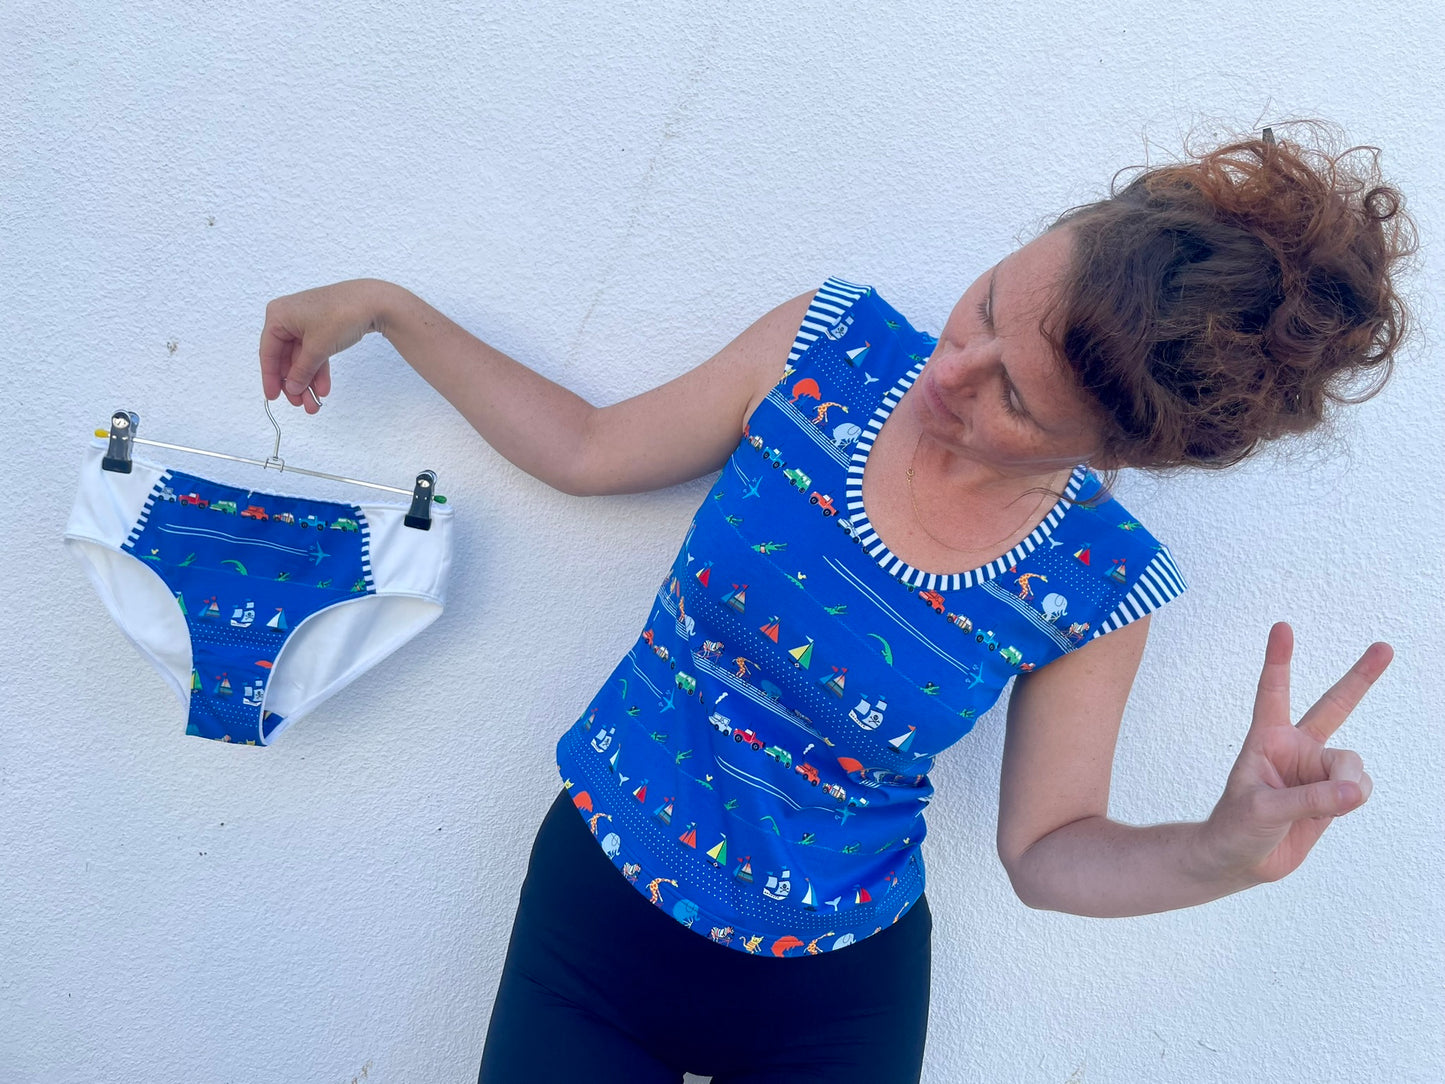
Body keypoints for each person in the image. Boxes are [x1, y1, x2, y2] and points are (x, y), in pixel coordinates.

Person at [258, 123, 1416, 1083]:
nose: (946, 372)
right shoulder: (827, 348)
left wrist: (1216, 853)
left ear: (1117, 446)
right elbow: (589, 446)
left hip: (829, 1006)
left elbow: (1046, 851)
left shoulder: (1098, 586)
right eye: (982, 307)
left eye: (1012, 396)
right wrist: (390, 309)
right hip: (596, 918)